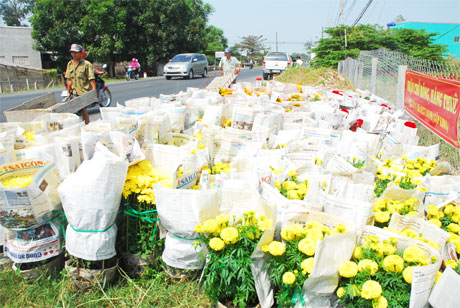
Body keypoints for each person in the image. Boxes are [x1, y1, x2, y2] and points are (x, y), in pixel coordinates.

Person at [65, 44, 96, 124]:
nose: (74, 54)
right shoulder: (70, 64)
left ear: (80, 53)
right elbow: (69, 80)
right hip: (75, 92)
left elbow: (91, 78)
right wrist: (68, 92)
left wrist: (94, 91)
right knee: (76, 110)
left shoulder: (86, 64)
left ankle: (87, 125)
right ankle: (83, 125)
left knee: (82, 109)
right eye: (72, 52)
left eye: (75, 52)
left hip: (84, 92)